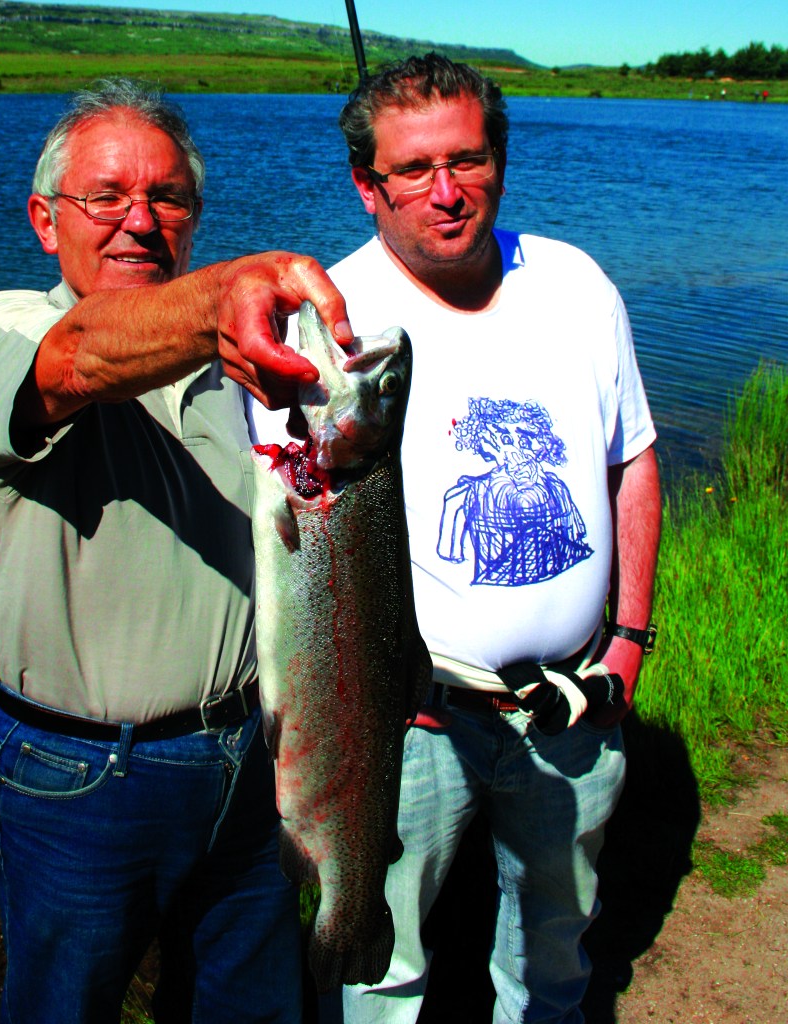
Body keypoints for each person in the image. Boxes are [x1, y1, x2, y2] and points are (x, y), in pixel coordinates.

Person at [254, 54, 661, 1024]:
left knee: (555, 951)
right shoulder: (325, 325)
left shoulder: (577, 284)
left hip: (571, 703)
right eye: (413, 169)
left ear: (500, 161)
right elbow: (287, 514)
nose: (447, 191)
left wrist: (628, 641)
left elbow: (632, 462)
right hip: (406, 725)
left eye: (468, 160)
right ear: (367, 186)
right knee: (383, 974)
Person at [0, 77, 353, 1024]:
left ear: (194, 216)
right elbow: (82, 354)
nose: (141, 220)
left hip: (251, 763)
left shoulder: (239, 369)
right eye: (108, 197)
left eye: (168, 197)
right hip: (80, 780)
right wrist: (222, 300)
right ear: (46, 220)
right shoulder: (4, 329)